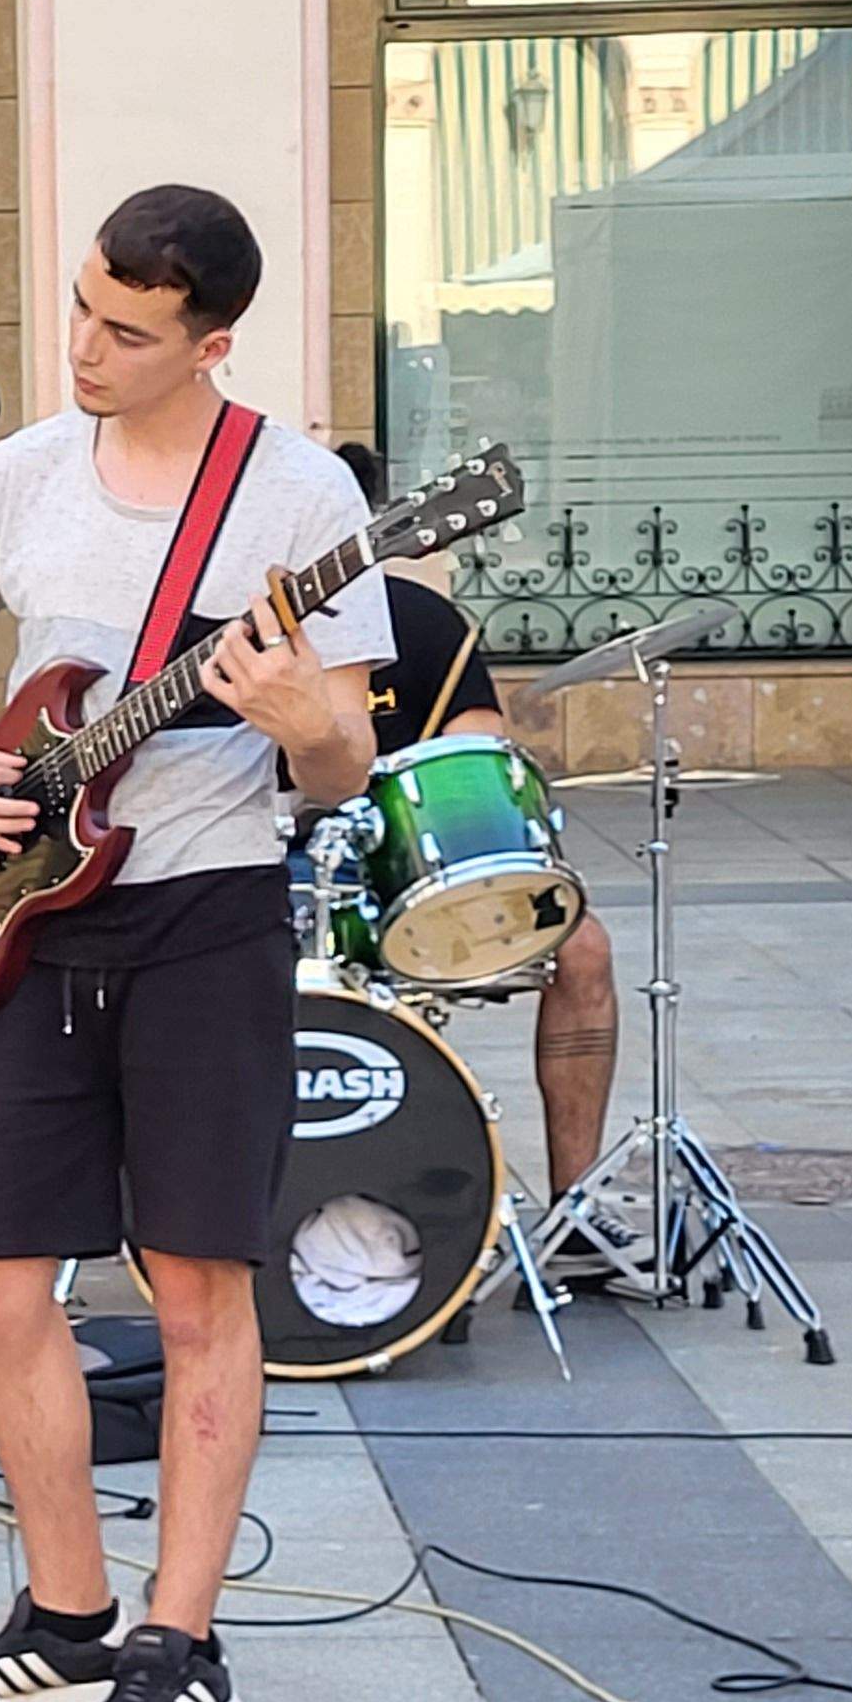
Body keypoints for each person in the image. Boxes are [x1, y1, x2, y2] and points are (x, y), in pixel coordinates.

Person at [0, 185, 393, 1702]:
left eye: (125, 331)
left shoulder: (295, 498)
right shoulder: (17, 474)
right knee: (5, 1284)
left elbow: (348, 759)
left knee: (197, 1284)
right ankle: (65, 1618)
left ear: (212, 342)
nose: (84, 346)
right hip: (32, 924)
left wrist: (300, 709)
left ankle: (185, 1639)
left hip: (203, 923)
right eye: (81, 308)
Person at [325, 445, 625, 1253]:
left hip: (394, 871)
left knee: (584, 949)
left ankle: (575, 1210)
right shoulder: (238, 633)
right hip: (258, 869)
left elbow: (477, 763)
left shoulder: (423, 626)